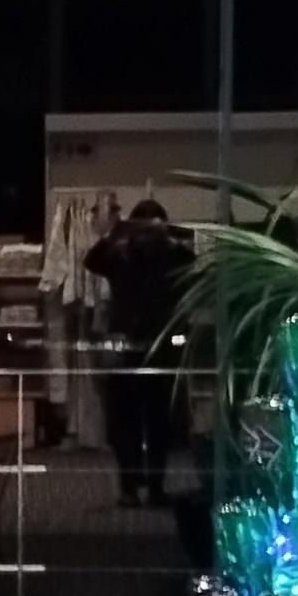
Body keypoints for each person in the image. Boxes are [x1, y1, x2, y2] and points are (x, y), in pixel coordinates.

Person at [85, 198, 190, 506]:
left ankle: (155, 486)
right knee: (125, 421)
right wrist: (115, 233)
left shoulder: (173, 257)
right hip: (127, 347)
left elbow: (193, 264)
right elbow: (92, 261)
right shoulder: (121, 255)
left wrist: (169, 237)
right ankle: (129, 488)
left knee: (159, 421)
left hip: (162, 346)